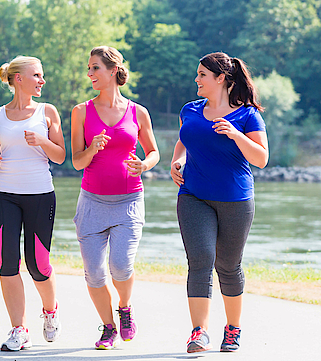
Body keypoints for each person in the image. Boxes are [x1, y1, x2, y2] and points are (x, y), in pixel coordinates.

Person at [169, 52, 269, 353]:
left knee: (228, 265)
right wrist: (178, 161)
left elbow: (261, 159)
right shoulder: (190, 110)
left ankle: (233, 328)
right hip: (193, 196)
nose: (196, 80)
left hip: (235, 200)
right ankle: (198, 332)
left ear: (221, 78)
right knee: (200, 261)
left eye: (202, 75)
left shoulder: (247, 115)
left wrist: (237, 135)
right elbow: (185, 140)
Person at [70, 46, 159, 350]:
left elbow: (154, 151)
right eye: (89, 68)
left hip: (129, 201)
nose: (90, 73)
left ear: (112, 71)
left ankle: (125, 307)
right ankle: (108, 327)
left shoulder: (138, 112)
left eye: (95, 68)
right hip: (92, 202)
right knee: (94, 272)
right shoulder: (81, 111)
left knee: (121, 266)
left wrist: (145, 164)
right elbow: (77, 162)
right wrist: (92, 148)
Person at [0, 55, 66, 351]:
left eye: (41, 76)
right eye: (37, 75)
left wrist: (42, 142)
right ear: (19, 79)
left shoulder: (47, 112)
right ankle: (19, 329)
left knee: (38, 265)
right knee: (7, 264)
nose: (42, 81)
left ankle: (50, 311)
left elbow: (60, 156)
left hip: (40, 194)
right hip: (3, 194)